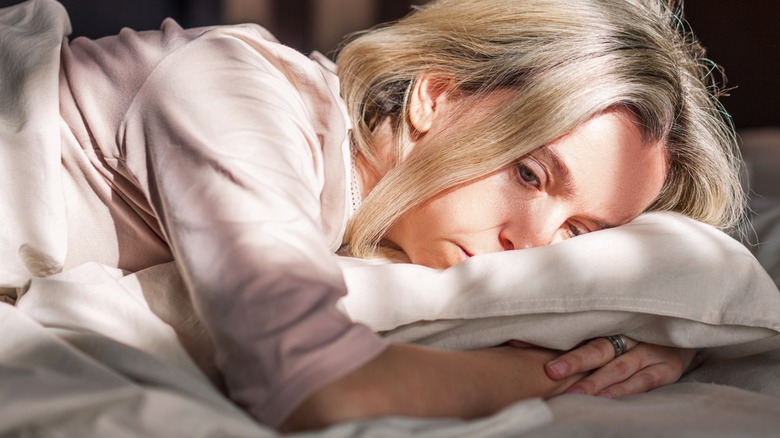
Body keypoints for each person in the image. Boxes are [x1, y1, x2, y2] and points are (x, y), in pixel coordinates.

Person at [0, 0, 744, 433]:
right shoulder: (232, 91)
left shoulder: (383, 224)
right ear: (437, 96)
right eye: (527, 171)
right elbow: (319, 391)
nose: (532, 245)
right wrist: (543, 375)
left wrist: (644, 346)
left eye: (581, 235)